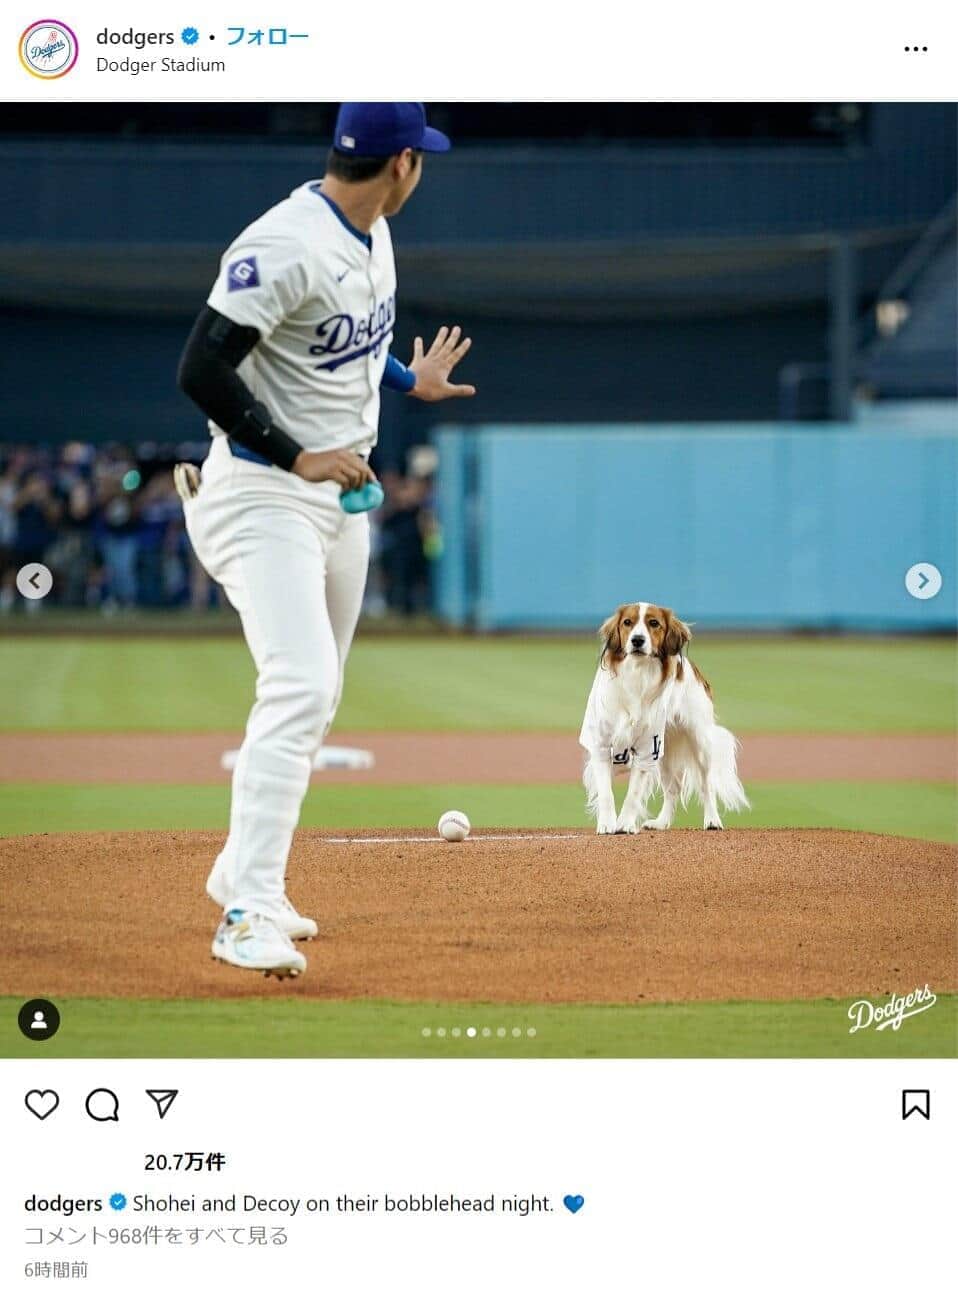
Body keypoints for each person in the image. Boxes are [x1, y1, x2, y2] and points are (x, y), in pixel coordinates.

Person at [176, 103, 475, 978]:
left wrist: (403, 379)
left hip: (337, 497)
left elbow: (343, 340)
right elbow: (200, 366)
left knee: (323, 690)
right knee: (299, 683)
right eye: (420, 156)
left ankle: (240, 865)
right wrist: (296, 451)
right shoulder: (286, 240)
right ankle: (245, 912)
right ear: (402, 167)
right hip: (266, 491)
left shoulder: (371, 232)